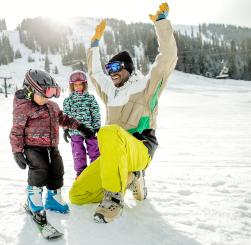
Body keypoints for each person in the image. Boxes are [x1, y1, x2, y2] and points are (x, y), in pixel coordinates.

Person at [69, 2, 177, 223]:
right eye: (109, 70)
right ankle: (130, 178)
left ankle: (114, 199)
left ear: (128, 67)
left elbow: (167, 59)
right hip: (114, 153)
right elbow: (95, 72)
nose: (111, 73)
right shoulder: (111, 92)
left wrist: (161, 24)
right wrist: (94, 45)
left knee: (108, 131)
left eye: (116, 67)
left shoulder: (146, 87)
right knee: (77, 194)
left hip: (140, 149)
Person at [10, 69, 94, 224]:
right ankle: (33, 201)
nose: (47, 98)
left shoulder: (52, 106)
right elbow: (16, 131)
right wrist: (17, 151)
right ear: (30, 90)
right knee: (39, 171)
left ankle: (53, 199)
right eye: (44, 94)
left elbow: (65, 119)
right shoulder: (24, 109)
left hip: (52, 148)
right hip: (33, 148)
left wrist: (81, 127)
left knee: (57, 171)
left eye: (51, 93)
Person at [62, 71, 101, 180]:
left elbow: (95, 113)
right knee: (78, 153)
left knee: (94, 150)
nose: (78, 86)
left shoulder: (90, 98)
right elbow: (66, 116)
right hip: (75, 132)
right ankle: (80, 173)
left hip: (90, 131)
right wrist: (66, 129)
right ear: (72, 86)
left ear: (85, 85)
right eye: (76, 85)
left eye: (80, 84)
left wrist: (97, 126)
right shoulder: (68, 101)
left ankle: (95, 170)